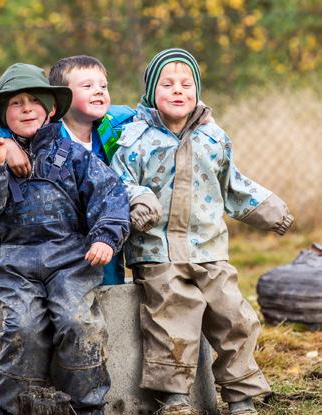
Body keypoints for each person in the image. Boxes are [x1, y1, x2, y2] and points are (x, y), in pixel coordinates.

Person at [110, 48, 294, 415]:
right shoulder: (134, 140)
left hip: (209, 248)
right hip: (157, 252)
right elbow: (119, 183)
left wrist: (272, 211)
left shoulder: (214, 138)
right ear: (150, 92)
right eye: (167, 84)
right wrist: (139, 199)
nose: (178, 90)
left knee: (235, 318)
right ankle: (175, 400)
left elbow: (232, 184)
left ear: (197, 90)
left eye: (186, 84)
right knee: (170, 321)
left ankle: (241, 398)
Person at [0, 62, 130, 415]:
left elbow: (110, 195)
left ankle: (88, 407)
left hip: (70, 262)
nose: (26, 109)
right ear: (3, 116)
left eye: (33, 101)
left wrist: (104, 238)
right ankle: (7, 409)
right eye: (15, 103)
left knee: (78, 322)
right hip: (14, 266)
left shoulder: (73, 156)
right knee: (23, 328)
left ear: (51, 108)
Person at [0, 55, 135, 285]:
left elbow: (155, 112)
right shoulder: (46, 131)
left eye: (103, 85)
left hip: (102, 218)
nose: (99, 91)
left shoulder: (115, 123)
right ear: (56, 102)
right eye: (88, 86)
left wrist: (195, 113)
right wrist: (8, 142)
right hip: (58, 231)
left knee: (108, 280)